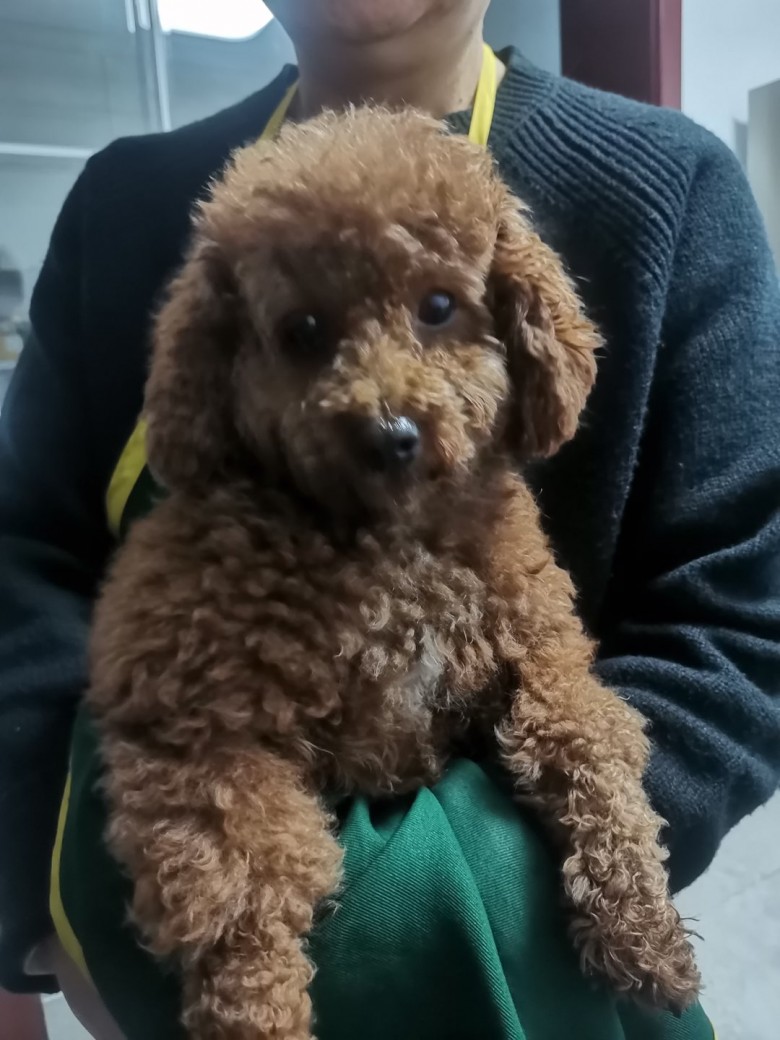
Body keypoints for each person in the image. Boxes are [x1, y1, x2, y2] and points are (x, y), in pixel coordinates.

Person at [1, 0, 778, 1034]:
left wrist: (491, 890)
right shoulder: (127, 206)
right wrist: (57, 907)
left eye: (439, 310)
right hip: (195, 907)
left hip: (543, 964)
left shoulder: (672, 185)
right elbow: (23, 559)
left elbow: (739, 623)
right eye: (307, 333)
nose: (383, 397)